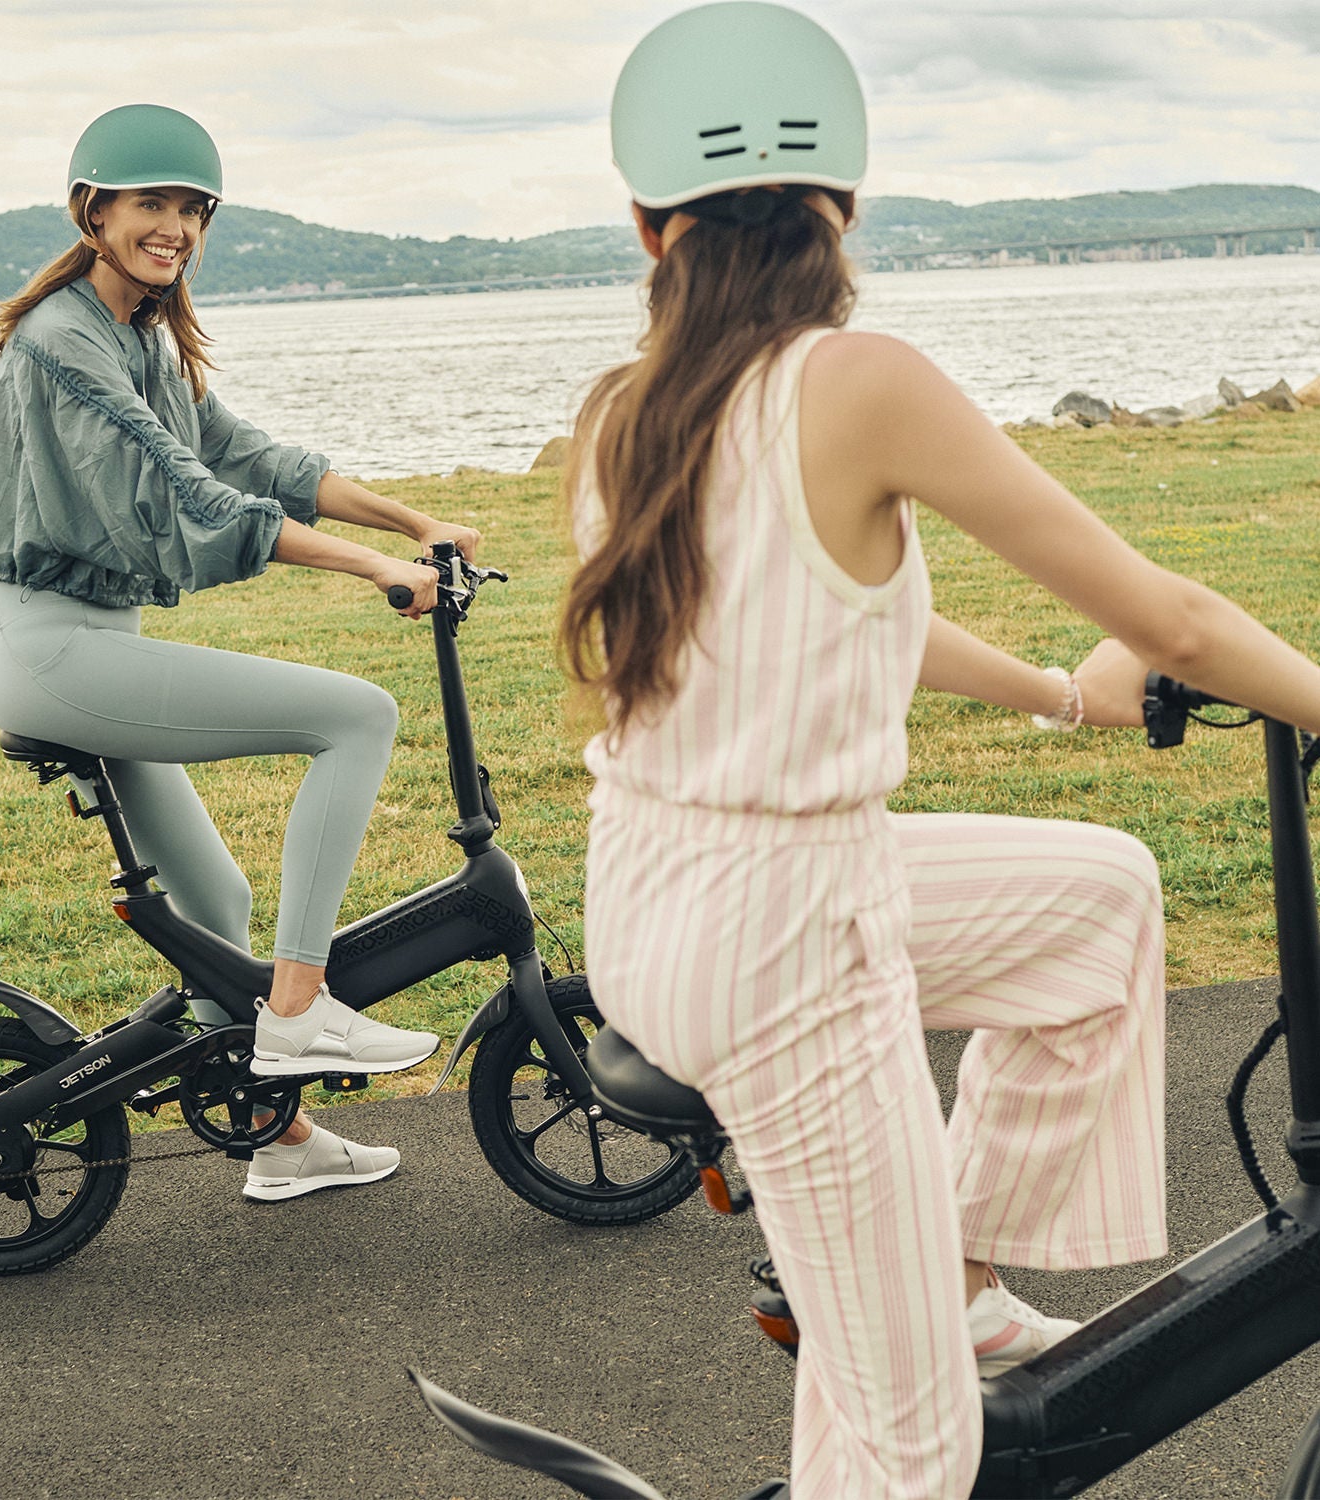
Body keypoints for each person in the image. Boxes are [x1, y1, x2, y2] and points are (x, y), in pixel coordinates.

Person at [563, 6, 1320, 1498]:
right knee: (916, 1454)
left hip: (659, 898)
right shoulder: (859, 379)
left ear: (648, 226)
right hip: (789, 936)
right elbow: (1167, 609)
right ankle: (904, 1333)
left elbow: (846, 622)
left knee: (1100, 904)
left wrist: (1059, 693)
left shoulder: (627, 408)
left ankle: (948, 1279)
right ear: (844, 203)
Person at [0, 104, 481, 1204]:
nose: (176, 227)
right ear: (92, 211)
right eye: (152, 205)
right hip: (49, 648)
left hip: (89, 641)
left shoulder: (142, 335)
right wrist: (366, 568)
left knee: (215, 899)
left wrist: (412, 524)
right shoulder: (62, 339)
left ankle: (276, 1137)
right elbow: (196, 495)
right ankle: (297, 1010)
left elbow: (248, 455)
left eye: (192, 210)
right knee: (357, 715)